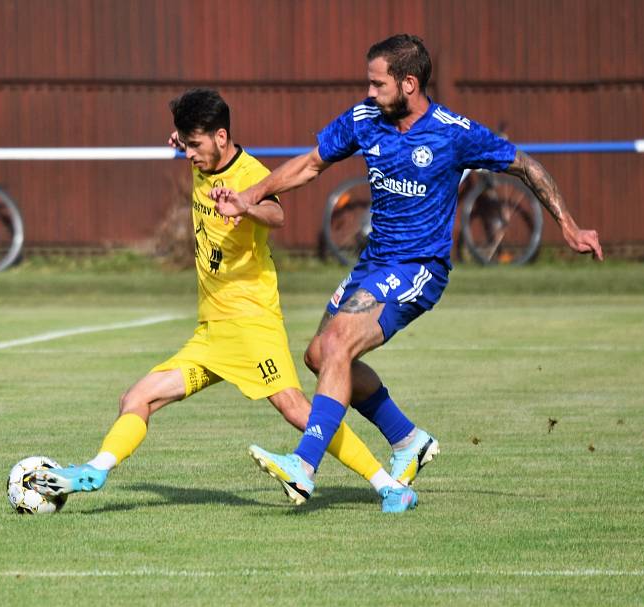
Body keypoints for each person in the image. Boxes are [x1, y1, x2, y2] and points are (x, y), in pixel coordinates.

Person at [210, 34, 603, 508]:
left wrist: (571, 226)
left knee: (337, 344)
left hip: (418, 267)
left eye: (378, 84)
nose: (370, 92)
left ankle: (303, 465)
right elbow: (311, 165)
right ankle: (407, 440)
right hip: (372, 263)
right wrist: (252, 195)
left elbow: (525, 166)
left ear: (409, 83)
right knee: (320, 355)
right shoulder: (364, 119)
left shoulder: (453, 133)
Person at [32, 88, 417, 513]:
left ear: (220, 137)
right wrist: (183, 140)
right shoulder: (202, 155)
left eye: (194, 145)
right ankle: (95, 470)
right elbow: (193, 145)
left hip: (251, 323)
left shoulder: (249, 175)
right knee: (136, 398)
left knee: (297, 410)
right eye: (184, 144)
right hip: (211, 332)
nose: (189, 155)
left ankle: (388, 485)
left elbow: (277, 215)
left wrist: (246, 207)